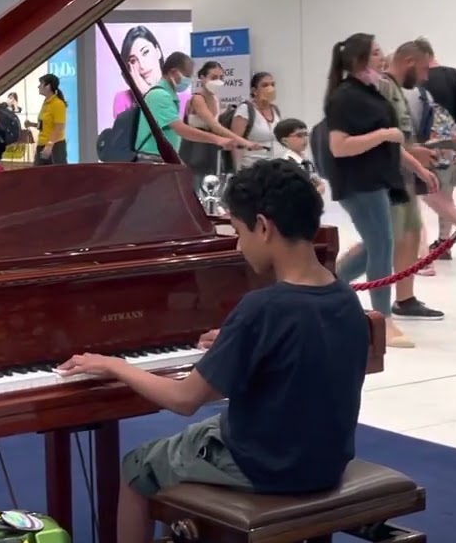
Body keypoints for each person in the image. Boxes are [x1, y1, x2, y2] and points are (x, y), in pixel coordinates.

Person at [58, 159, 371, 543]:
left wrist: (116, 365)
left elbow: (183, 399)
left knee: (135, 466)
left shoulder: (262, 308)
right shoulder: (343, 296)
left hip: (265, 466)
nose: (238, 246)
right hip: (325, 460)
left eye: (238, 231)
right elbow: (298, 362)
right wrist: (237, 342)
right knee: (205, 431)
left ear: (263, 226)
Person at [321, 34, 411, 347]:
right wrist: (384, 134)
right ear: (359, 59)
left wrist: (417, 167)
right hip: (359, 184)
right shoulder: (345, 97)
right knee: (382, 245)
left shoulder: (371, 92)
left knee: (377, 245)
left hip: (376, 180)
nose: (382, 56)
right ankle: (382, 318)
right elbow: (340, 146)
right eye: (375, 52)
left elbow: (390, 141)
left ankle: (326, 288)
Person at [377, 42, 444, 320]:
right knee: (380, 240)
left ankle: (405, 299)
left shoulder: (401, 92)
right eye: (424, 68)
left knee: (411, 234)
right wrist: (412, 156)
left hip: (402, 176)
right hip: (386, 177)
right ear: (408, 61)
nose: (426, 76)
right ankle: (338, 283)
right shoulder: (382, 88)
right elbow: (381, 136)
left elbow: (400, 136)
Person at [411, 37, 456, 260]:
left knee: (426, 191)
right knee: (446, 194)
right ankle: (444, 243)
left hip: (432, 145)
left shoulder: (418, 81)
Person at [135, 53, 245, 163]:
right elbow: (180, 129)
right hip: (152, 159)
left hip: (165, 158)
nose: (188, 81)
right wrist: (219, 140)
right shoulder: (159, 95)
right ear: (173, 72)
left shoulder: (170, 95)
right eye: (186, 76)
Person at [230, 72, 281, 169]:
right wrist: (238, 171)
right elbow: (236, 142)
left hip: (274, 168)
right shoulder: (245, 110)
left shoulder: (275, 110)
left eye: (272, 85)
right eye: (265, 85)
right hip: (251, 168)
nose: (270, 89)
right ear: (254, 90)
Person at [274, 118, 325, 196]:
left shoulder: (306, 160)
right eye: (299, 135)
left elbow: (315, 180)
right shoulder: (286, 165)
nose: (305, 139)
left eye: (306, 134)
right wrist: (316, 192)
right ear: (285, 141)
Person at [31, 73, 68, 165]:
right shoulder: (46, 103)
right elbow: (45, 124)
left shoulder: (58, 104)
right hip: (42, 144)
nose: (38, 87)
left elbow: (59, 126)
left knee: (56, 176)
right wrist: (32, 124)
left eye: (41, 84)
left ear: (48, 86)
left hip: (55, 147)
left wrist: (49, 145)